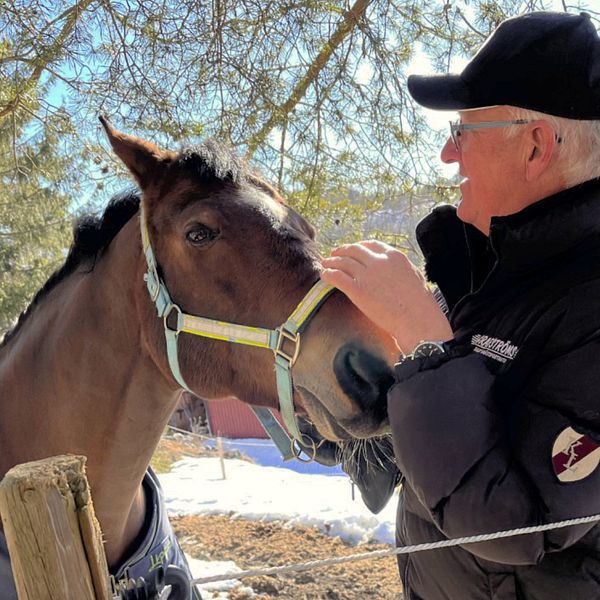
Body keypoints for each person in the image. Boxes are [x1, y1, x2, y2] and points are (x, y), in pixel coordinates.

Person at [321, 11, 600, 600]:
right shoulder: (483, 269)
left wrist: (425, 336)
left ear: (534, 146)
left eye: (464, 129)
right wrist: (342, 403)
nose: (449, 154)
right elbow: (447, 443)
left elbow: (515, 528)